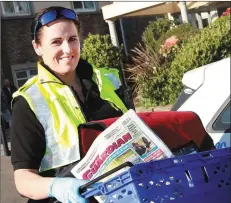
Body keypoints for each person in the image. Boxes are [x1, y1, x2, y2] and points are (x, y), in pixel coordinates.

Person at [10, 6, 128, 203]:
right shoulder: (29, 101)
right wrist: (55, 186)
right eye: (56, 42)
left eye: (72, 39)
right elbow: (23, 180)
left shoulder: (105, 81)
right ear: (37, 47)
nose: (68, 49)